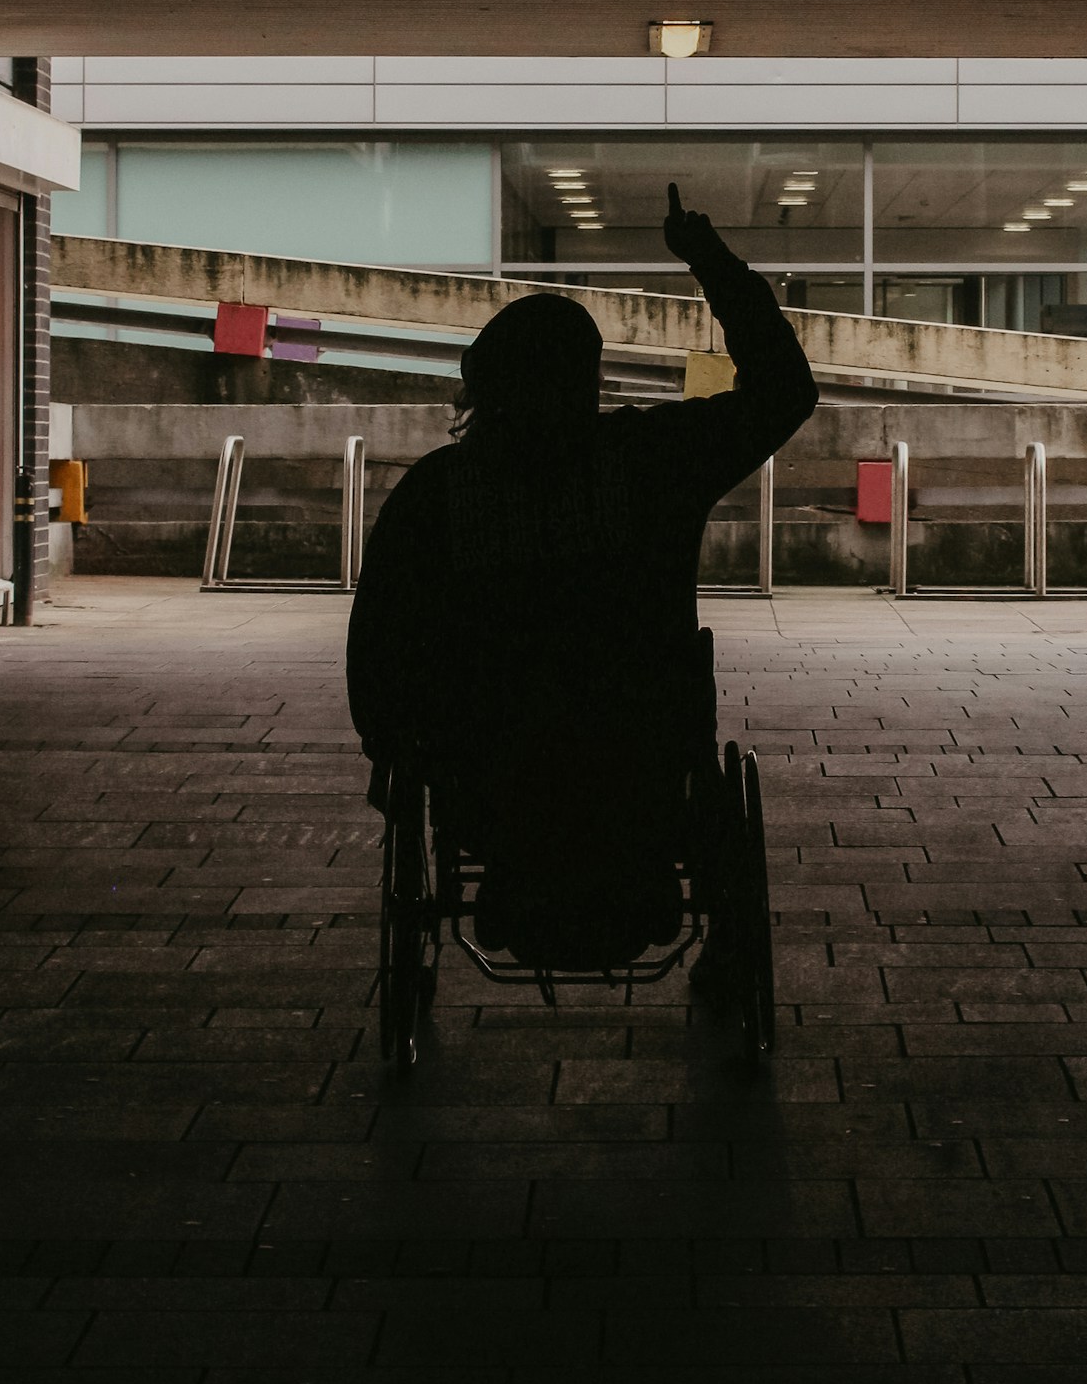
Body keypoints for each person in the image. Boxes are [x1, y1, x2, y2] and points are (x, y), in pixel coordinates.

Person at [346, 183, 817, 976]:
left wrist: (393, 758)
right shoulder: (650, 462)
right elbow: (785, 392)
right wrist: (708, 260)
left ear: (481, 386)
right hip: (641, 775)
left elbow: (381, 641)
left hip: (490, 787)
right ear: (589, 381)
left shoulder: (438, 493)